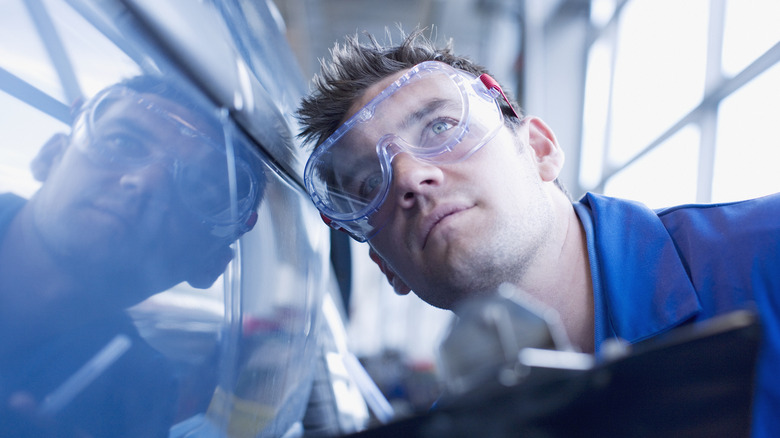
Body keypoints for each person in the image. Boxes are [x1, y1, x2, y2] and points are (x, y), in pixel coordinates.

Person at [295, 29, 779, 436]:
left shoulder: (766, 255)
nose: (407, 177)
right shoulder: (465, 426)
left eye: (441, 125)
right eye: (369, 183)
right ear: (385, 267)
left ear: (540, 149)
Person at [0, 76, 265, 437]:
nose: (147, 182)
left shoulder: (135, 396)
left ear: (211, 265)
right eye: (122, 141)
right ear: (50, 156)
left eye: (201, 187)